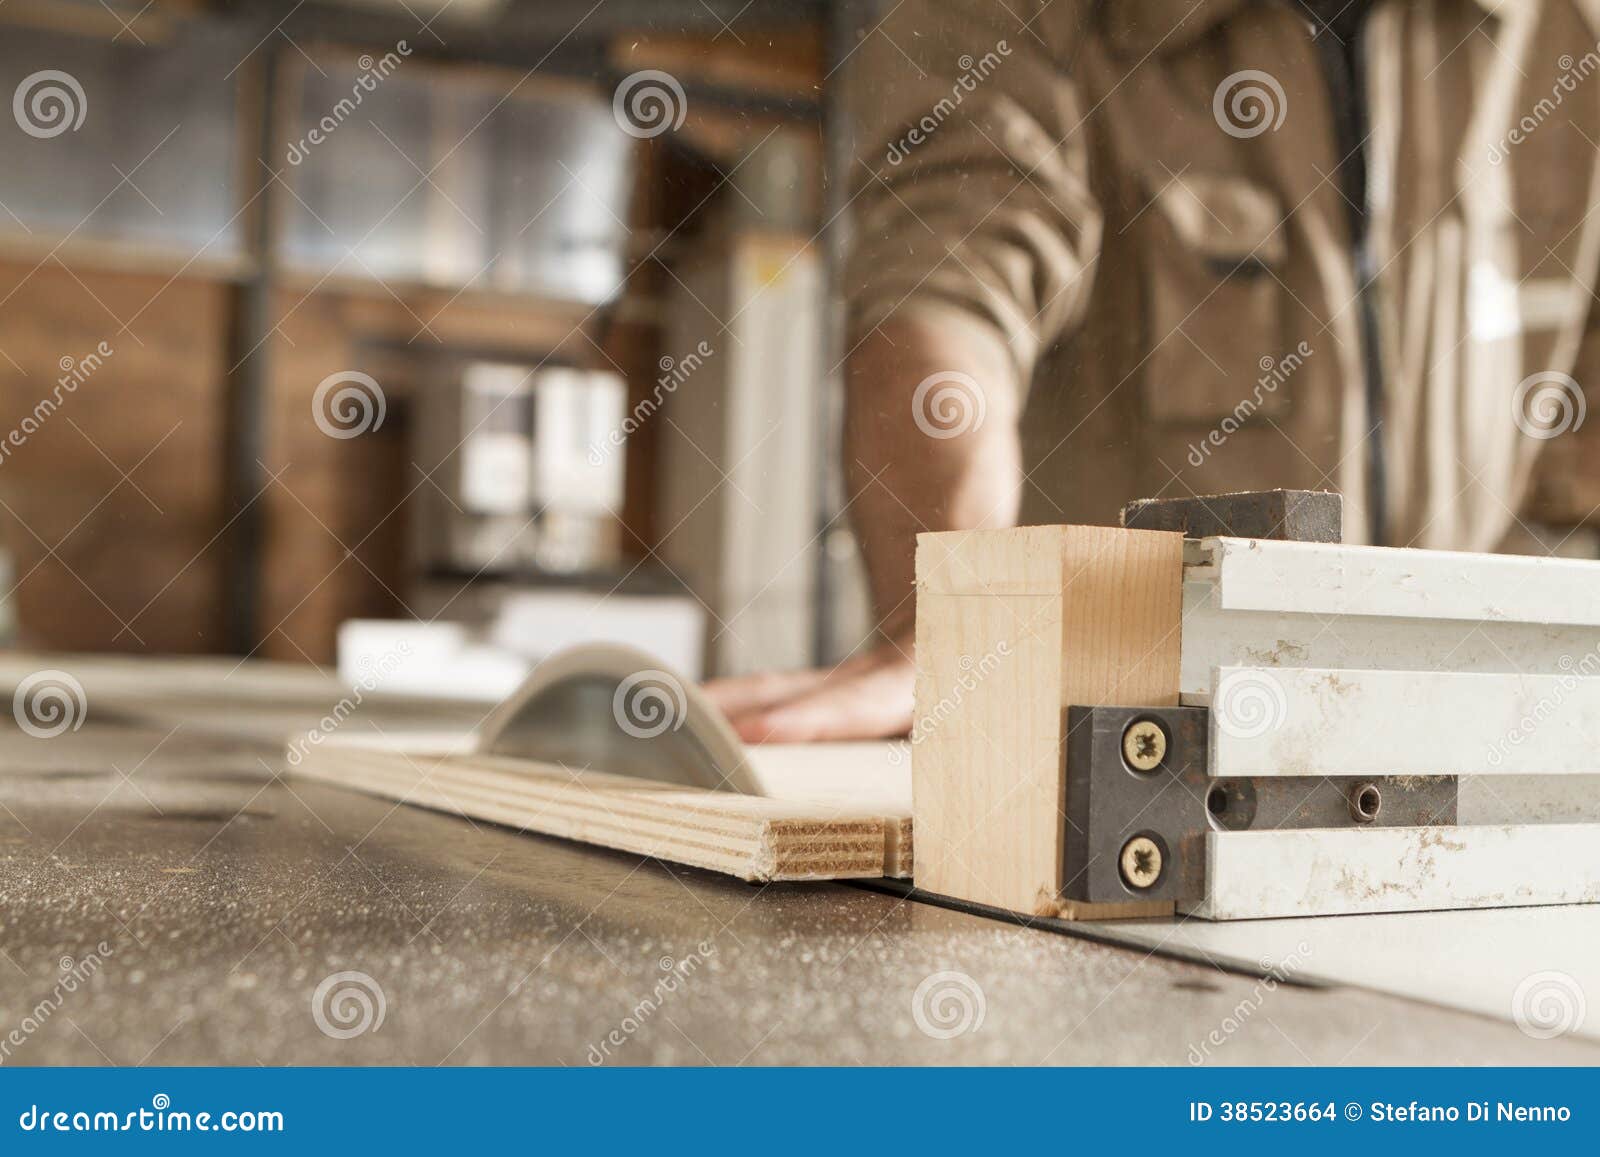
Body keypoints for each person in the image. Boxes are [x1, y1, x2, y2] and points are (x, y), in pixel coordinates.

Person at [704, 0, 1600, 742]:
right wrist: (945, 620)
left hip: (1431, 790)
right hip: (1112, 792)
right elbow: (949, 287)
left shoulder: (1565, 35)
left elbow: (1574, 476)